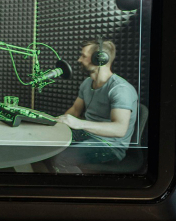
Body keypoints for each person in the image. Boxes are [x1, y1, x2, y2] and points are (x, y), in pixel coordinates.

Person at [55, 38, 139, 167]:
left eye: (83, 56)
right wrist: (57, 123)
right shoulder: (87, 83)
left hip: (109, 145)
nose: (79, 60)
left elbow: (120, 129)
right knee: (46, 146)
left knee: (60, 158)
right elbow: (75, 110)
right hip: (86, 134)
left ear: (99, 59)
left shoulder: (120, 89)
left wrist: (80, 123)